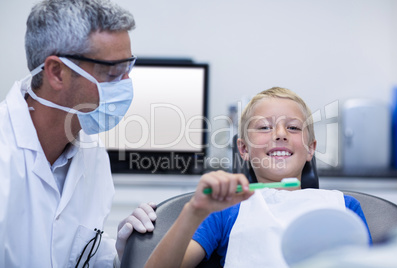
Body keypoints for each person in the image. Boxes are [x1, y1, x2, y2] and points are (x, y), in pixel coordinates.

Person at [0, 0, 157, 267]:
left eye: (127, 69)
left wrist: (120, 251)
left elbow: (81, 257)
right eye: (112, 72)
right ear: (57, 73)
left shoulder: (92, 156)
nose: (126, 85)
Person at [145, 87, 372, 267]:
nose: (280, 134)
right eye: (264, 127)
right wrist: (193, 212)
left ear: (311, 149)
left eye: (293, 127)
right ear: (243, 149)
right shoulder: (224, 210)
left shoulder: (344, 207)